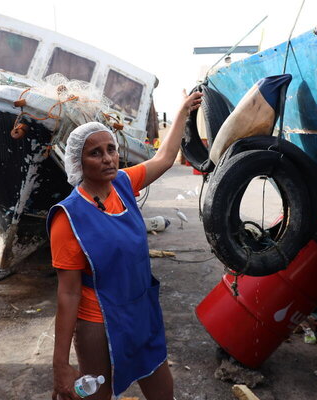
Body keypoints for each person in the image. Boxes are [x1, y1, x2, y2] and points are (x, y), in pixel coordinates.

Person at [48, 90, 203, 400]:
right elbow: (68, 293)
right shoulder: (68, 218)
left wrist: (183, 110)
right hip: (98, 323)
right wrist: (60, 365)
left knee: (163, 392)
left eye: (111, 149)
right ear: (78, 161)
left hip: (141, 312)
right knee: (96, 396)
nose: (107, 158)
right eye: (96, 153)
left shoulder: (122, 183)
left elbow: (163, 158)